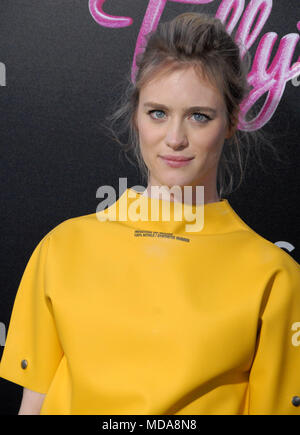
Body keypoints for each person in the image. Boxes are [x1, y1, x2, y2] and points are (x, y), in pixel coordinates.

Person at [1, 12, 300, 415]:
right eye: (158, 113)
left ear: (231, 122)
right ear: (137, 116)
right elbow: (33, 405)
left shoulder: (276, 277)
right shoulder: (62, 248)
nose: (175, 139)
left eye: (199, 116)